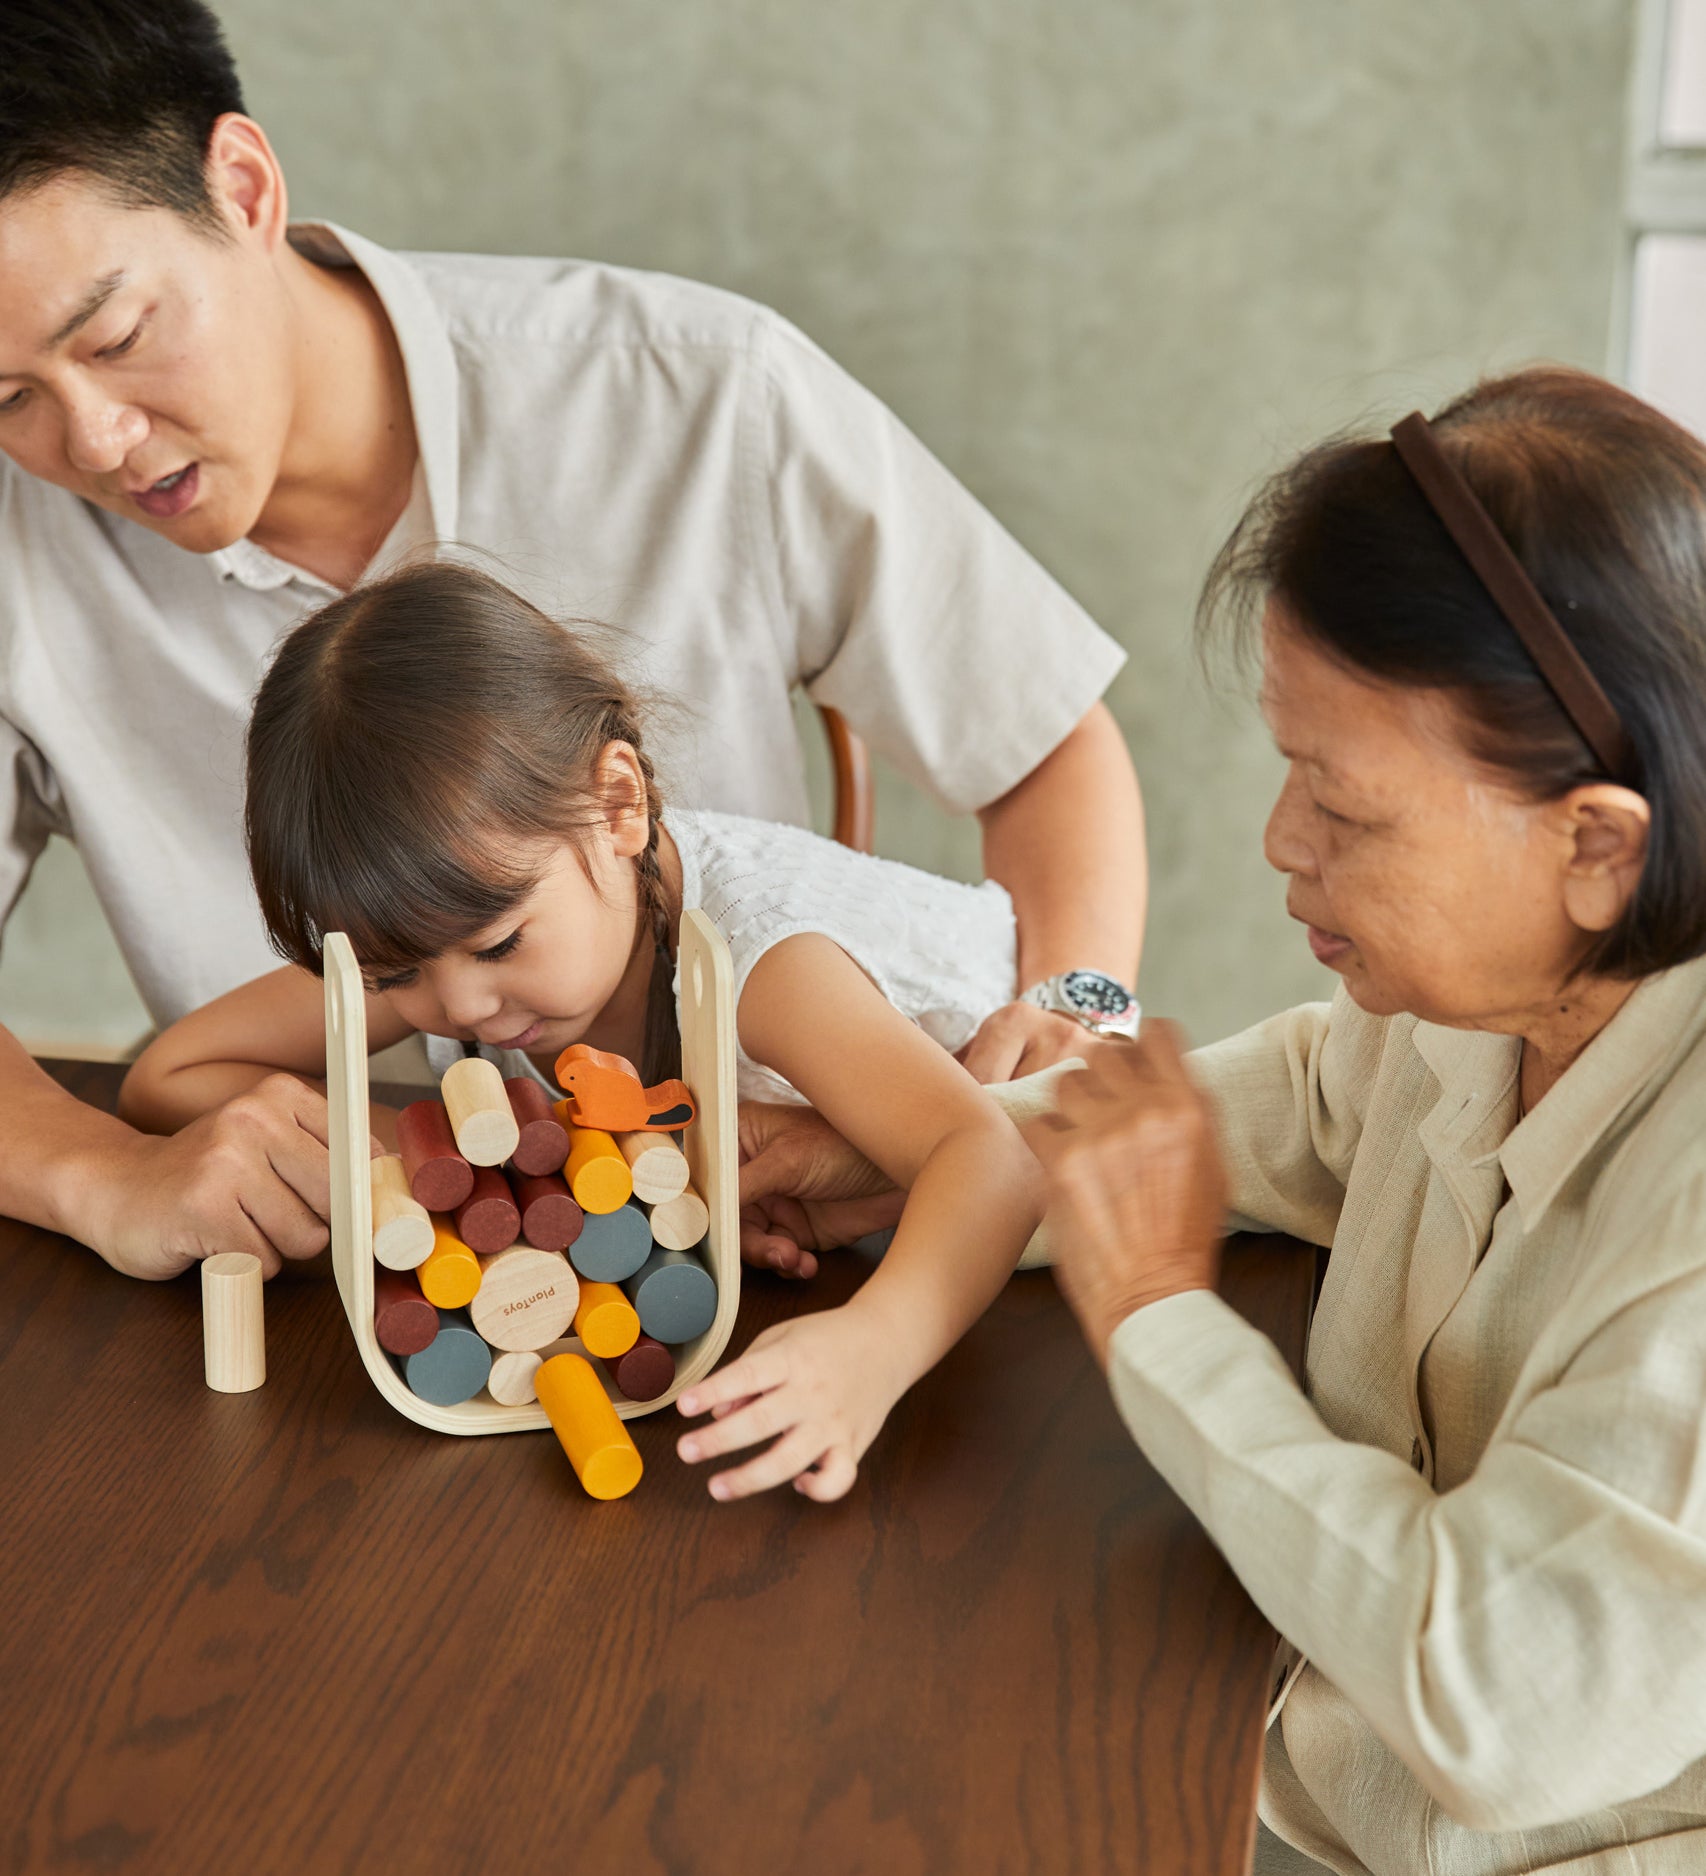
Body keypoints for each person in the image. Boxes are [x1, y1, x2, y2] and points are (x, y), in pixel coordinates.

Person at [0, 1, 1144, 1279]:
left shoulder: (695, 387)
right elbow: (178, 1088)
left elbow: (1040, 745)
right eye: (7, 399)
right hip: (433, 1282)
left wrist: (1070, 1018)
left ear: (246, 187)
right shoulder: (17, 541)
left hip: (815, 1240)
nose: (90, 443)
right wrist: (102, 1173)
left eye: (117, 338)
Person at [746, 368, 1706, 1872]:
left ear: (1594, 844)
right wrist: (942, 1146)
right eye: (1287, 772)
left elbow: (1496, 1703)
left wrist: (1156, 1319)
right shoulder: (1476, 1005)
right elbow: (1288, 1103)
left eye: (1343, 804)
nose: (1279, 844)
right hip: (1267, 1768)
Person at [119, 560, 1047, 1500]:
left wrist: (873, 1349)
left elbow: (992, 1159)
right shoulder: (450, 925)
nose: (460, 1009)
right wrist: (380, 1182)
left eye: (500, 944)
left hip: (1053, 1183)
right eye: (397, 974)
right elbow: (176, 1071)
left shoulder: (766, 967)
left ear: (617, 807)